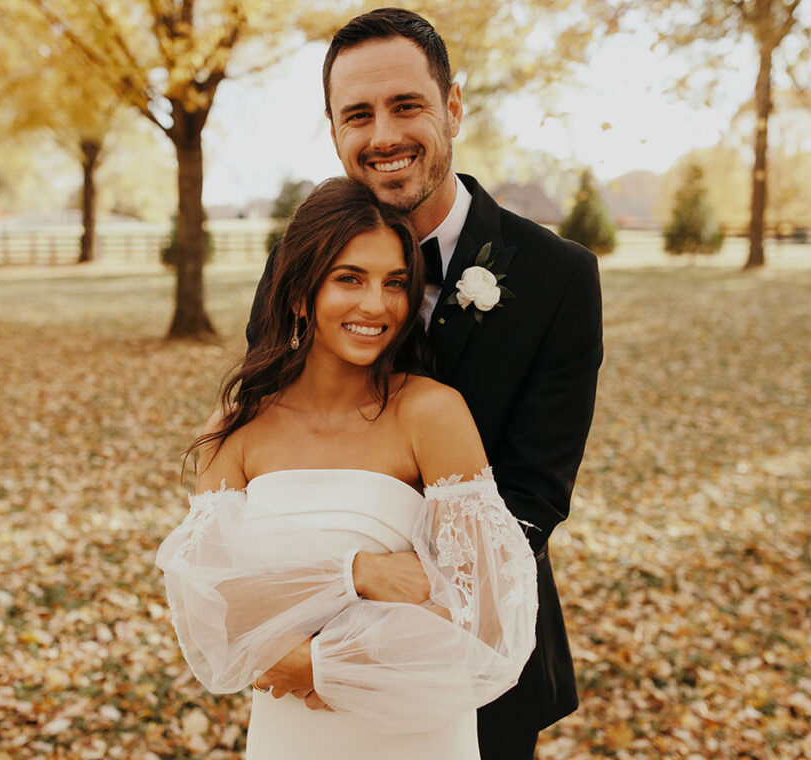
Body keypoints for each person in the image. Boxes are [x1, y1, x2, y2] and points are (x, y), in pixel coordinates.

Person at [246, 9, 603, 759]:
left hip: (480, 659)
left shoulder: (558, 277)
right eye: (358, 115)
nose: (383, 135)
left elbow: (535, 492)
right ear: (335, 129)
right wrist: (317, 619)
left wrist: (406, 622)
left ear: (453, 107)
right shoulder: (294, 264)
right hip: (305, 652)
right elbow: (264, 441)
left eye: (406, 105)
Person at [158, 177, 539, 760]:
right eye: (349, 278)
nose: (376, 305)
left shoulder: (430, 413)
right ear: (297, 294)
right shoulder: (236, 425)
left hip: (412, 732)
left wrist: (320, 663)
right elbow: (211, 605)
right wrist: (355, 573)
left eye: (395, 283)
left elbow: (488, 622)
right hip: (290, 733)